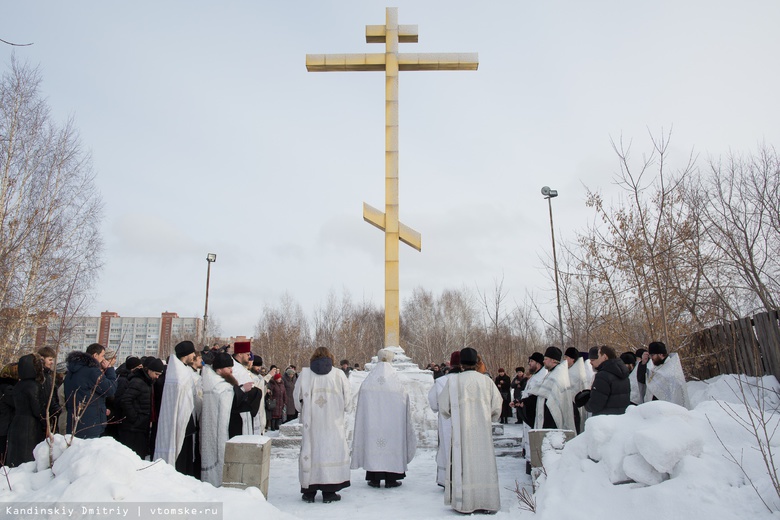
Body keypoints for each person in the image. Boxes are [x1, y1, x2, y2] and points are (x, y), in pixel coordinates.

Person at [439, 347, 502, 514]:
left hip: (462, 433)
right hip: (482, 434)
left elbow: (444, 408)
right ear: (476, 363)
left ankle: (465, 504)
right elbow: (497, 408)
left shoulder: (453, 382)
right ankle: (487, 501)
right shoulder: (487, 381)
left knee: (463, 465)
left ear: (461, 364)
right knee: (484, 464)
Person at [351, 348, 416, 489]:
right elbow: (404, 399)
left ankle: (374, 478)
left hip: (373, 424)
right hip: (393, 425)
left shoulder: (369, 382)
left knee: (374, 443)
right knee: (392, 443)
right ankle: (391, 478)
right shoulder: (396, 382)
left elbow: (363, 401)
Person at [293, 347, 351, 504]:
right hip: (332, 423)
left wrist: (303, 410)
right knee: (330, 452)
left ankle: (309, 492)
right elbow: (347, 400)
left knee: (311, 452)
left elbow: (296, 399)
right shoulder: (338, 374)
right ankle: (329, 492)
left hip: (312, 423)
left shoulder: (305, 375)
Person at [200, 352, 262, 487]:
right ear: (220, 369)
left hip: (227, 421)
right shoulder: (215, 382)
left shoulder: (222, 380)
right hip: (218, 427)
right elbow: (225, 396)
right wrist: (242, 389)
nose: (231, 370)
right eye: (228, 368)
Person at [154, 340, 202, 477]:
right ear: (186, 354)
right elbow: (181, 400)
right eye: (192, 352)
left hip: (187, 420)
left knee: (186, 453)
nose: (194, 355)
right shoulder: (178, 373)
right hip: (181, 419)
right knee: (181, 454)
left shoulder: (182, 370)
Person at [64, 343, 118, 438]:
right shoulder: (92, 371)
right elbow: (110, 389)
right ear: (95, 355)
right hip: (90, 422)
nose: (103, 359)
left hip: (74, 418)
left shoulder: (71, 372)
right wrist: (109, 370)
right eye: (102, 356)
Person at [118, 357, 164, 459]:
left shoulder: (148, 382)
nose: (157, 377)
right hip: (133, 428)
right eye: (156, 374)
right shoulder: (138, 382)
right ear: (149, 370)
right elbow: (126, 400)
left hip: (141, 426)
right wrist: (135, 418)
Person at [427, 350, 460, 488]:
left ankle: (446, 478)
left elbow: (433, 402)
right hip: (466, 420)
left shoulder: (441, 381)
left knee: (447, 446)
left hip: (446, 419)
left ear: (450, 365)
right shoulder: (470, 380)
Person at [6, 354, 45, 467]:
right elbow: (36, 410)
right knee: (26, 460)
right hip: (29, 425)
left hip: (16, 422)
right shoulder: (33, 386)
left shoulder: (18, 385)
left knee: (15, 458)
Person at [529, 347, 575, 432]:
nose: (543, 361)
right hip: (547, 417)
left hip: (551, 421)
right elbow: (542, 392)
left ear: (553, 360)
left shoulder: (557, 375)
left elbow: (553, 401)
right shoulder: (552, 373)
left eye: (546, 359)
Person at [584, 345, 630, 416]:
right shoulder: (624, 373)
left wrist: (586, 403)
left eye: (597, 356)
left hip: (604, 420)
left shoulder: (603, 375)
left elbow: (595, 404)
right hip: (620, 419)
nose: (590, 362)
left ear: (604, 357)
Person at [645, 341, 690, 408]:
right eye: (650, 356)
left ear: (660, 354)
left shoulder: (672, 370)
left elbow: (676, 397)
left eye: (652, 355)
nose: (651, 358)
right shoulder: (658, 367)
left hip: (669, 411)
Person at [564, 347, 589, 434]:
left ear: (572, 359)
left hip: (575, 408)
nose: (565, 360)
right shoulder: (573, 370)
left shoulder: (575, 373)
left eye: (567, 357)